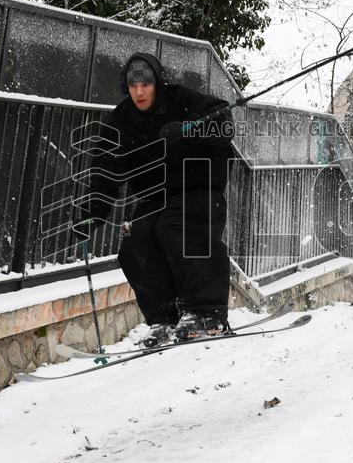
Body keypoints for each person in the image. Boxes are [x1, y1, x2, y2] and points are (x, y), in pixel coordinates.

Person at [74, 52, 234, 346]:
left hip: (200, 188)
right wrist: (91, 214)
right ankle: (165, 317)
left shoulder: (180, 99)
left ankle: (207, 311)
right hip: (155, 197)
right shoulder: (121, 121)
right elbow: (105, 171)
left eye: (145, 85)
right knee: (136, 242)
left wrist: (189, 130)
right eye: (133, 86)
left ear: (157, 84)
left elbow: (224, 124)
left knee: (175, 226)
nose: (139, 92)